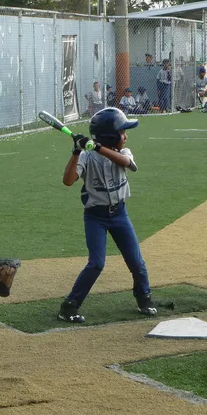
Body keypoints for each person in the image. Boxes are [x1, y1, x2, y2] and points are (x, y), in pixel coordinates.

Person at [57, 108, 158, 323]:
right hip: (96, 217)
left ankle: (144, 298)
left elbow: (126, 164)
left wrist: (98, 147)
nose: (125, 136)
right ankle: (69, 306)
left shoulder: (124, 152)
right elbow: (68, 181)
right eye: (122, 132)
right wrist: (76, 152)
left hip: (120, 214)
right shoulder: (86, 156)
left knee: (136, 261)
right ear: (110, 136)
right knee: (96, 263)